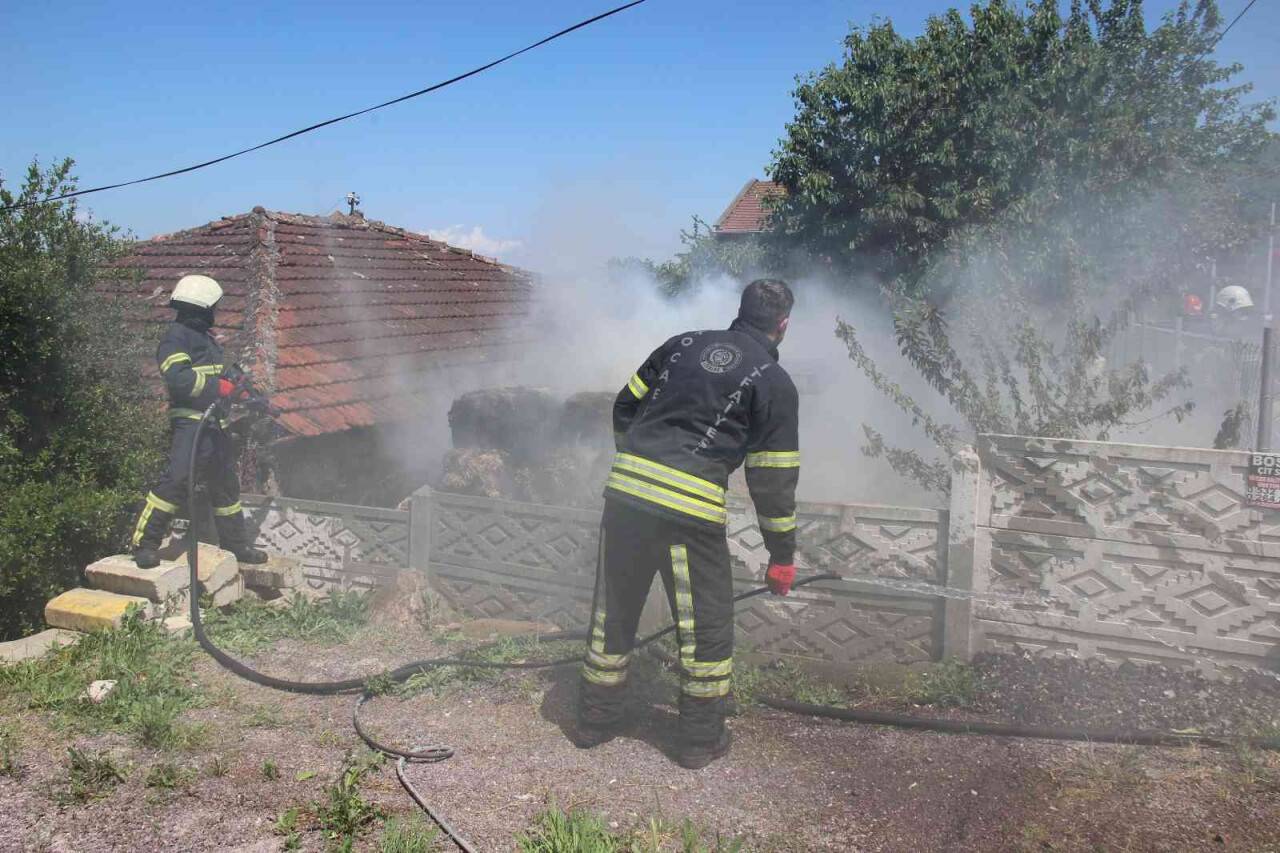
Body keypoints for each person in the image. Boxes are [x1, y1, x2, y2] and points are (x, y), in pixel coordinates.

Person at [578, 278, 800, 769]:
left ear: (739, 312)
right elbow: (773, 480)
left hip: (626, 497)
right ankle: (699, 739)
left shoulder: (680, 345)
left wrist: (639, 462)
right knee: (705, 623)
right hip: (690, 513)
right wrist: (781, 554)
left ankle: (594, 719)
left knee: (613, 608)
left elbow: (624, 405)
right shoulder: (773, 381)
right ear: (783, 325)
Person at [131, 275, 268, 569]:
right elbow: (180, 379)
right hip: (190, 423)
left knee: (225, 486)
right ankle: (145, 543)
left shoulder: (205, 339)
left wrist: (244, 388)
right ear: (201, 308)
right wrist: (221, 388)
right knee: (177, 479)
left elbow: (223, 373)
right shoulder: (175, 337)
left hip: (213, 423)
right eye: (212, 308)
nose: (214, 313)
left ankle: (236, 545)